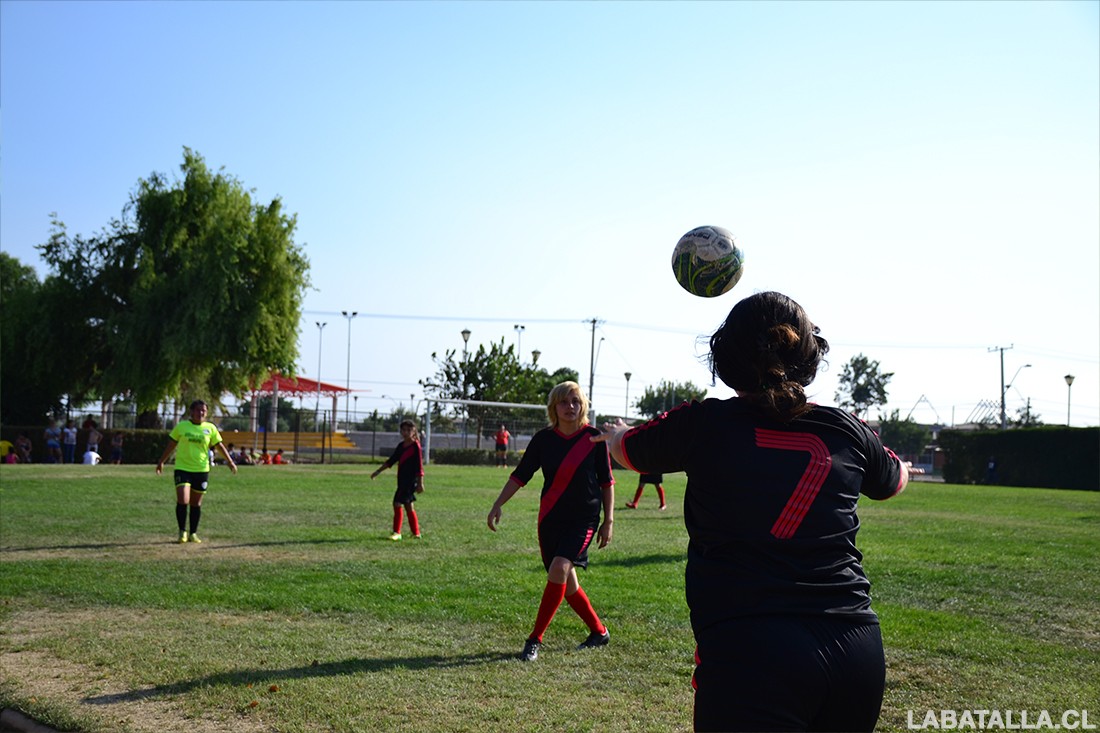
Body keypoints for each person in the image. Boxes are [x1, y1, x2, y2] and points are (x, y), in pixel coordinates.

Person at [593, 291, 908, 732]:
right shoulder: (847, 428)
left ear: (726, 354)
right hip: (854, 648)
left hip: (751, 651)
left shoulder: (703, 423)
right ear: (808, 353)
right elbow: (894, 480)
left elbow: (627, 451)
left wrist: (614, 435)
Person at [487, 381, 615, 662]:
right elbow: (520, 475)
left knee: (559, 568)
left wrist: (609, 521)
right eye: (564, 402)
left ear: (583, 406)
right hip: (550, 518)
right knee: (566, 582)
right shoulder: (543, 440)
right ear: (553, 407)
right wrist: (498, 504)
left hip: (584, 518)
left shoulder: (594, 438)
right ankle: (599, 631)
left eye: (576, 401)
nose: (570, 407)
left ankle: (534, 640)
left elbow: (606, 482)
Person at [155, 400, 237, 544]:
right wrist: (161, 461)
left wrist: (230, 462)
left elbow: (219, 446)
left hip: (201, 469)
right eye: (198, 410)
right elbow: (171, 445)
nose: (201, 413)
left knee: (196, 503)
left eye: (203, 411)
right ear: (191, 412)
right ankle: (182, 532)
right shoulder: (182, 427)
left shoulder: (210, 428)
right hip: (183, 468)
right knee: (183, 499)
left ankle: (193, 532)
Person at [371, 419, 424, 540]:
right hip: (401, 480)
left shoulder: (415, 446)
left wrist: (420, 483)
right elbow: (391, 460)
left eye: (408, 430)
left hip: (409, 481)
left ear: (413, 431)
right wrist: (378, 471)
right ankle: (416, 533)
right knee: (408, 506)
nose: (405, 432)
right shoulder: (401, 446)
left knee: (397, 503)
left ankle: (397, 532)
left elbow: (419, 466)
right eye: (403, 430)